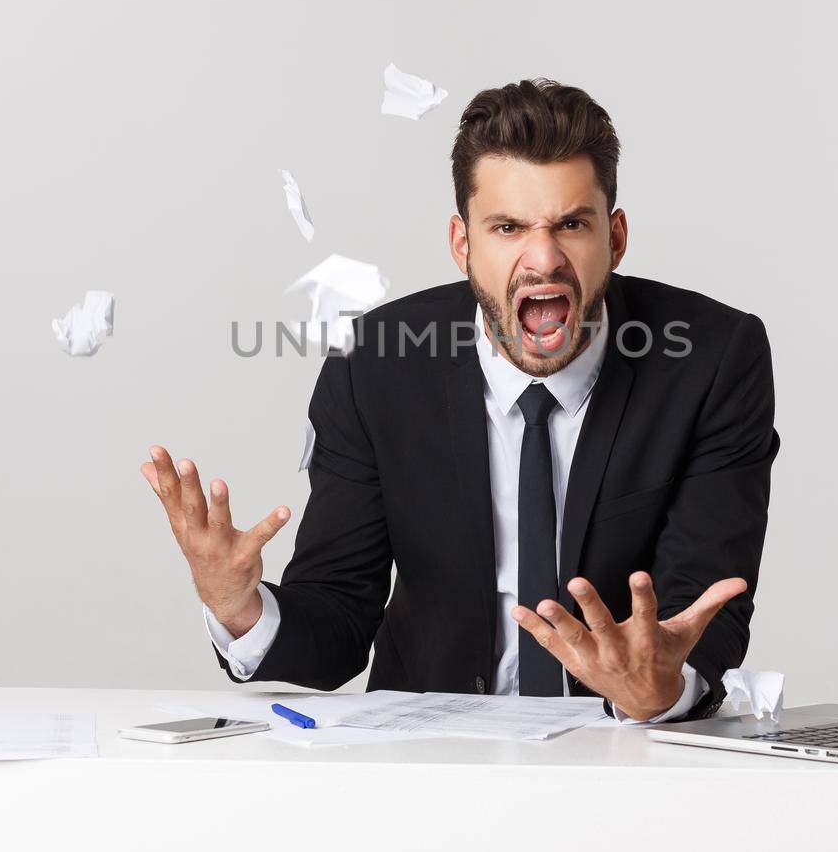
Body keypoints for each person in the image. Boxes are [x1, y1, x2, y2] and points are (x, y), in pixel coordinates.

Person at [142, 78, 778, 721]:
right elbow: (336, 624)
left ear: (614, 238)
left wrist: (660, 691)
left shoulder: (712, 360)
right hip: (433, 768)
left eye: (572, 225)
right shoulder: (374, 366)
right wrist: (238, 607)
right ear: (462, 244)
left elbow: (703, 614)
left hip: (624, 755)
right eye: (507, 227)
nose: (543, 258)